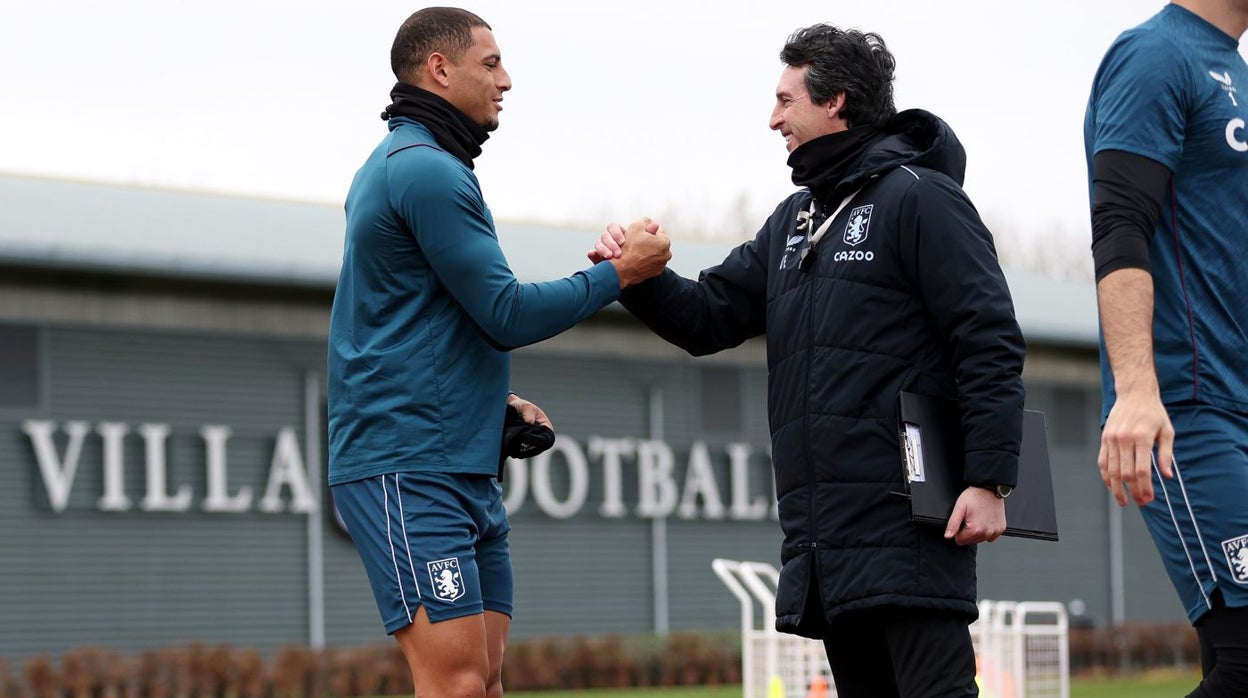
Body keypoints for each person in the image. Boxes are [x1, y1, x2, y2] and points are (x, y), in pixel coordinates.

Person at [591, 23, 1024, 698]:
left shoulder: (921, 197)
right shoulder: (796, 218)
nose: (772, 119)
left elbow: (989, 336)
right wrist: (636, 275)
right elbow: (709, 318)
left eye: (785, 99)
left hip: (912, 525)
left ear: (837, 102)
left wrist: (990, 480)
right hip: (828, 543)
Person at [325, 8, 671, 698]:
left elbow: (414, 321)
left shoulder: (427, 168)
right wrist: (619, 274)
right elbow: (505, 312)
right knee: (454, 684)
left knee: (483, 683)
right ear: (439, 69)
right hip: (408, 465)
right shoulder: (420, 170)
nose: (506, 80)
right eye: (491, 63)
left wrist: (491, 399)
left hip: (459, 465)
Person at [1084, 2, 1248, 695]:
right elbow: (1120, 222)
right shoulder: (1155, 55)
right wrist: (1137, 389)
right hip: (1188, 410)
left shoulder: (1233, 67)